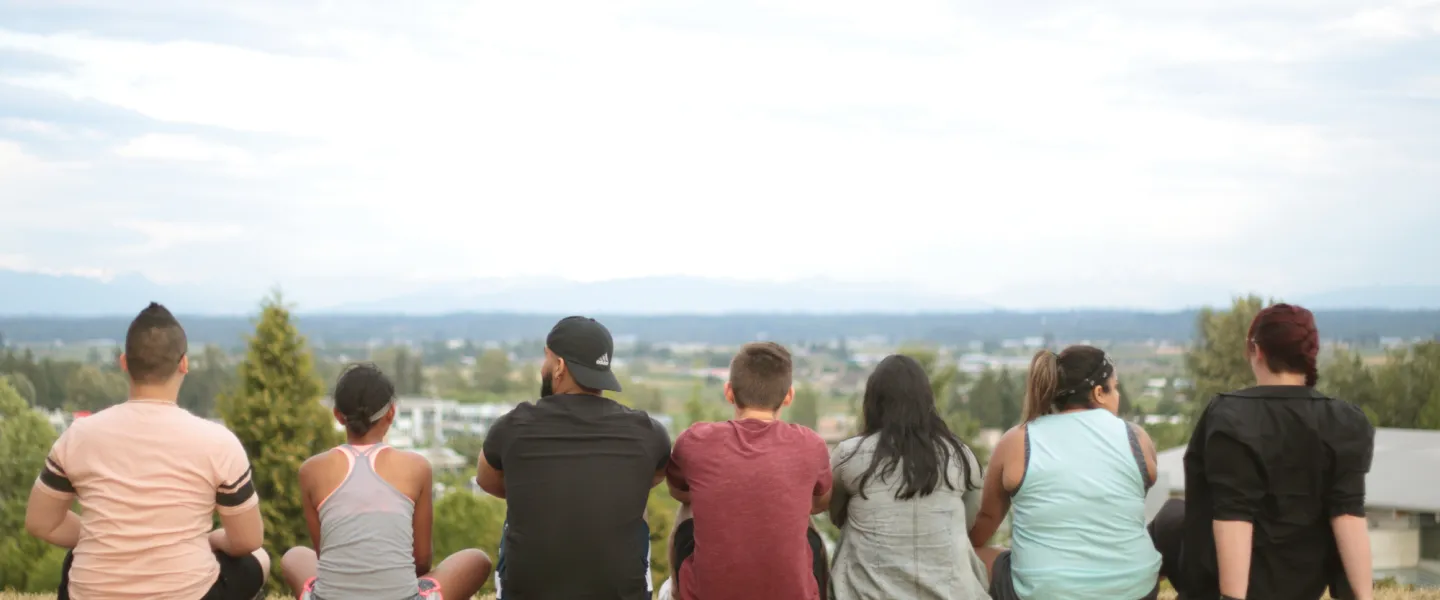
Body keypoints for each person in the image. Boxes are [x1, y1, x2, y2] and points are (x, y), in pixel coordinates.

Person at [24, 302, 270, 599]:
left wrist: (109, 539)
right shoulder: (219, 442)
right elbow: (248, 540)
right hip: (188, 592)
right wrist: (211, 539)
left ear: (125, 362)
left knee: (75, 559)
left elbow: (41, 522)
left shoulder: (78, 435)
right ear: (184, 364)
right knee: (260, 559)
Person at [1149, 303, 1376, 600]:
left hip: (1225, 583)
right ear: (1310, 353)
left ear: (1257, 350)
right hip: (1303, 582)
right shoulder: (1346, 420)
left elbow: (1234, 517)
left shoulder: (1230, 416)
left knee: (1168, 518)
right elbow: (1348, 516)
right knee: (1172, 515)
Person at [477, 316, 672, 599]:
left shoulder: (512, 427)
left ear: (559, 367)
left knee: (516, 520)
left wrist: (544, 490)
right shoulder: (648, 432)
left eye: (546, 359)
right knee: (634, 510)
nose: (543, 368)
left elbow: (486, 480)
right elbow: (652, 477)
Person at [280, 363, 492, 600]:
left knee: (295, 556)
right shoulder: (417, 467)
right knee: (476, 559)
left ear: (338, 415)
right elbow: (421, 562)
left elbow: (324, 554)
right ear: (391, 412)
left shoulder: (311, 470)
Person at [970, 345, 1161, 600]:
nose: (1117, 395)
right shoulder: (1137, 438)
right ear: (1098, 393)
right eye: (1114, 388)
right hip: (1136, 590)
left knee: (968, 555)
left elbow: (986, 522)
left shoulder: (1016, 441)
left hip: (1043, 592)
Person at [658, 341, 832, 600]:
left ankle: (677, 592)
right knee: (806, 524)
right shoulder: (810, 444)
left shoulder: (695, 441)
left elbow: (679, 491)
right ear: (788, 396)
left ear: (729, 392)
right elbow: (819, 503)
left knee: (689, 510)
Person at [828, 354, 990, 600]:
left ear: (873, 402)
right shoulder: (960, 456)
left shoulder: (850, 456)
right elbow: (966, 522)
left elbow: (836, 514)